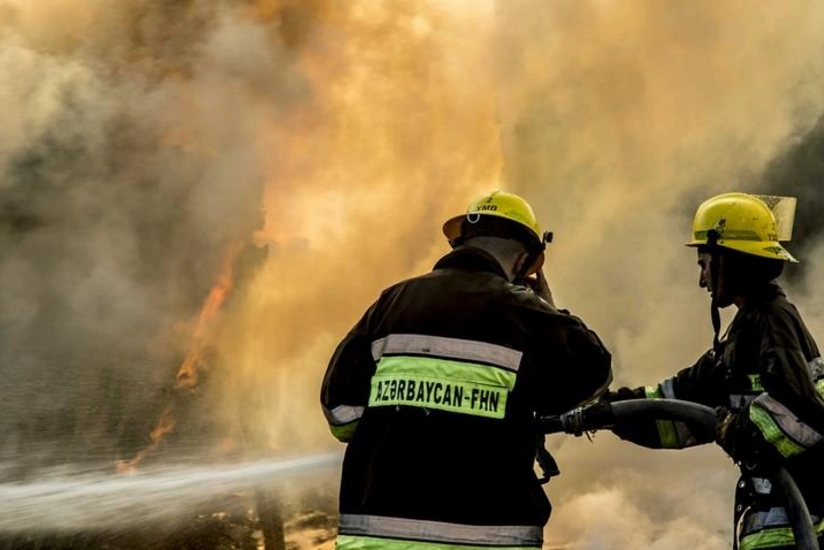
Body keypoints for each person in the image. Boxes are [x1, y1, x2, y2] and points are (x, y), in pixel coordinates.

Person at [321, 190, 613, 549]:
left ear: (460, 243)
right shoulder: (523, 312)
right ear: (525, 263)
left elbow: (341, 414)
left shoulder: (391, 302)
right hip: (485, 539)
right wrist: (552, 309)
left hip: (378, 537)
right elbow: (593, 374)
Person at [607, 192, 824, 549]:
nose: (702, 280)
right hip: (773, 523)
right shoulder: (742, 335)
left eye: (704, 264)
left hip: (804, 527)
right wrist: (607, 411)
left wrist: (739, 426)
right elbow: (676, 406)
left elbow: (801, 408)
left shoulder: (774, 318)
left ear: (729, 260)